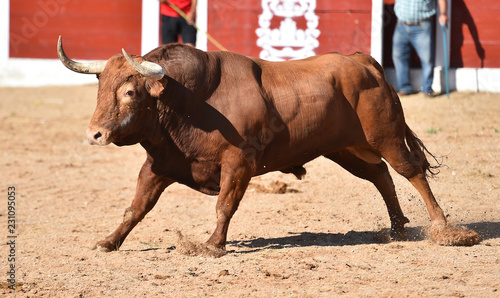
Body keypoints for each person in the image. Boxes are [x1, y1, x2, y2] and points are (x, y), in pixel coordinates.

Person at [392, 0, 448, 97]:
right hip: (401, 24)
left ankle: (427, 89)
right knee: (398, 56)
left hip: (422, 25)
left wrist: (443, 13)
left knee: (427, 59)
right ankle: (404, 87)